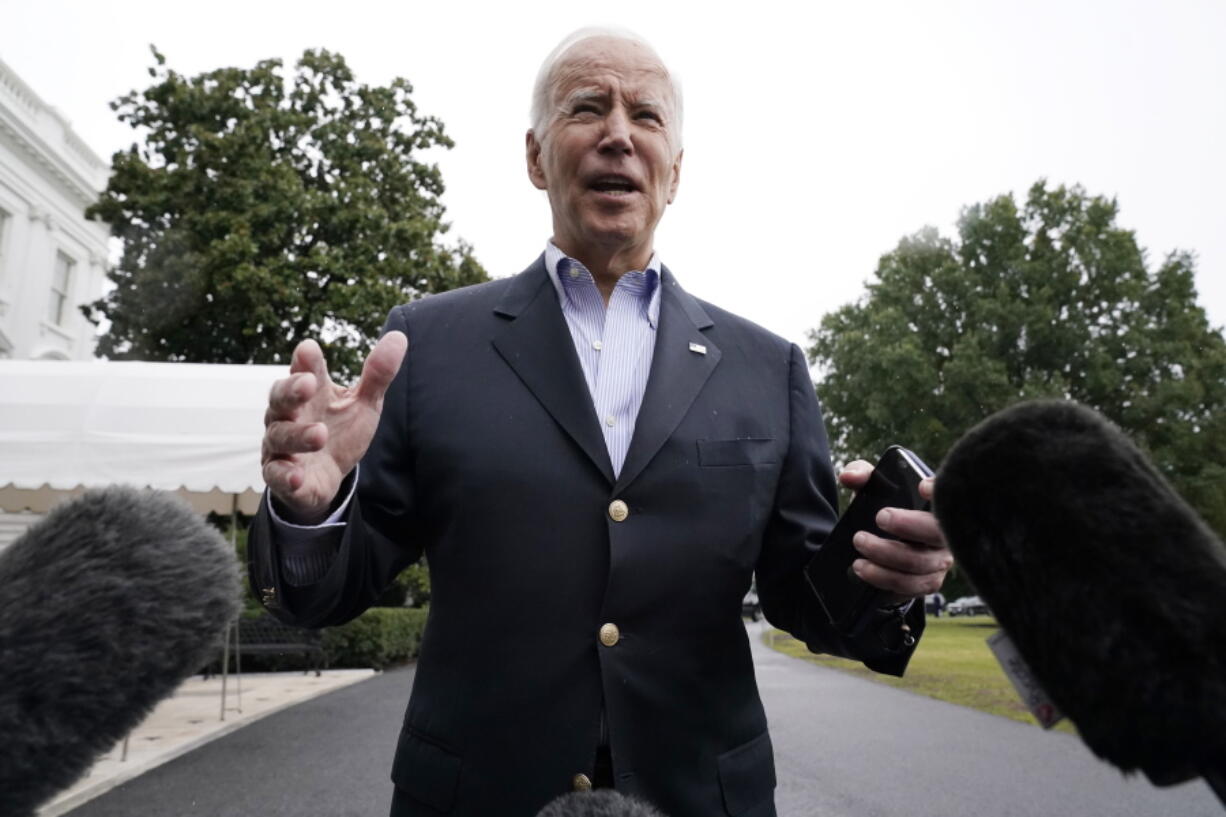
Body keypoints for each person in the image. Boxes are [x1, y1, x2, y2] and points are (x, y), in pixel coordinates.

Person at [250, 27, 951, 817]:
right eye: (588, 107)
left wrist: (884, 582)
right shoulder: (428, 345)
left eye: (646, 116)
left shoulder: (768, 366)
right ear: (536, 155)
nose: (618, 132)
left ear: (675, 171)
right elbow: (326, 591)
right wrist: (309, 511)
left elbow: (804, 602)